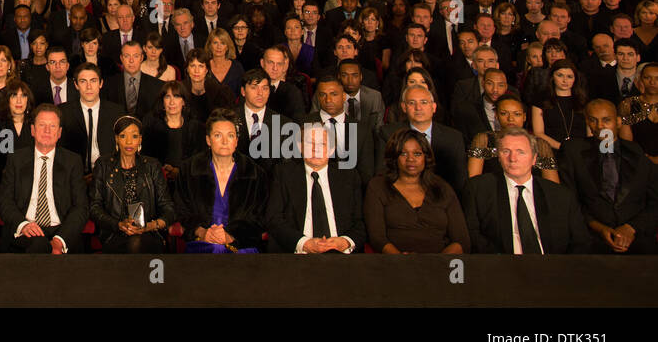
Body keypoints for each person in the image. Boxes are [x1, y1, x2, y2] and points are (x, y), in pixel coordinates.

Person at [462, 126, 590, 254]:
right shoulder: (478, 189)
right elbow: (472, 235)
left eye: (520, 152)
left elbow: (580, 242)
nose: (512, 158)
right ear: (499, 157)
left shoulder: (560, 195)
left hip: (551, 267)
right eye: (506, 151)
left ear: (534, 158)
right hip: (500, 266)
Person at [557, 99, 658, 254]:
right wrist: (599, 228)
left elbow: (654, 201)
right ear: (587, 122)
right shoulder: (573, 151)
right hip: (591, 239)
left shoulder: (636, 152)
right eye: (593, 120)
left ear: (618, 122)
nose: (600, 127)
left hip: (638, 239)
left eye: (606, 120)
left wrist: (631, 228)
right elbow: (569, 200)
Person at [0, 104, 87, 253]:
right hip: (26, 230)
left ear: (59, 133)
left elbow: (81, 207)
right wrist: (22, 224)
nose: (47, 130)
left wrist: (60, 240)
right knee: (38, 246)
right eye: (42, 125)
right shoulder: (16, 160)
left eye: (52, 126)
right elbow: (4, 201)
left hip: (62, 230)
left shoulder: (73, 162)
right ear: (32, 130)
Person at [364, 128, 470, 254]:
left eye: (417, 154)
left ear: (426, 157)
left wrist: (437, 263)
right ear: (394, 157)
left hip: (439, 266)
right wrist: (402, 261)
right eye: (403, 153)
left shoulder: (442, 188)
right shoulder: (378, 186)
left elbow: (462, 241)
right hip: (394, 265)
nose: (410, 159)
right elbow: (377, 239)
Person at [266, 123, 366, 254]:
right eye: (310, 143)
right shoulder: (283, 173)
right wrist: (304, 243)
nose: (315, 149)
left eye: (322, 144)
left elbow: (360, 222)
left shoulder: (349, 176)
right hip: (298, 255)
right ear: (300, 146)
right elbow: (273, 219)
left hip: (341, 256)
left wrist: (345, 241)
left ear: (332, 149)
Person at [179, 109, 267, 253]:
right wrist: (202, 232)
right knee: (213, 250)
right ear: (208, 140)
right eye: (218, 135)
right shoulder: (189, 171)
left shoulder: (255, 174)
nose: (225, 141)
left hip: (241, 245)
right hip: (202, 243)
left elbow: (259, 218)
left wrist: (230, 236)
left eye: (230, 136)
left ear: (236, 141)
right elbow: (182, 210)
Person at [88, 115, 175, 253]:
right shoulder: (103, 165)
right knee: (131, 244)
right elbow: (95, 207)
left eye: (134, 136)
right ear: (116, 138)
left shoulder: (152, 166)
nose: (129, 142)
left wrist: (150, 226)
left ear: (140, 139)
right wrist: (118, 225)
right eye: (123, 136)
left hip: (149, 232)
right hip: (114, 232)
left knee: (138, 242)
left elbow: (168, 208)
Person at [377, 79, 468, 194]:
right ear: (404, 107)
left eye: (424, 102)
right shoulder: (388, 134)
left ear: (434, 107)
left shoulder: (453, 138)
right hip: (399, 197)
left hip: (442, 198)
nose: (418, 108)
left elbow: (460, 182)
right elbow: (383, 175)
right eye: (412, 103)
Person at [467, 95, 559, 182]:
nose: (510, 119)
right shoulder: (484, 140)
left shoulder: (540, 144)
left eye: (517, 114)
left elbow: (552, 187)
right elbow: (473, 182)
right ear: (496, 115)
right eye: (504, 113)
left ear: (524, 116)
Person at [60, 62, 122, 177]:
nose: (89, 87)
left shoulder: (116, 112)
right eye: (83, 81)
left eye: (93, 81)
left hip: (109, 175)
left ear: (101, 83)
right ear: (76, 85)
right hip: (73, 175)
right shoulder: (63, 112)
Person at [140, 80, 205, 185]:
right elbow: (145, 159)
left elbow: (199, 162)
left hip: (189, 184)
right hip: (157, 183)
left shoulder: (196, 128)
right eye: (167, 97)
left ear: (183, 101)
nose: (172, 102)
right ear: (162, 101)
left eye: (176, 96)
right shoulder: (151, 126)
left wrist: (179, 172)